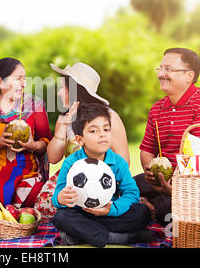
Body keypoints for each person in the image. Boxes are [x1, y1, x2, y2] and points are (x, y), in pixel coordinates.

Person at [135, 47, 200, 225]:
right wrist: (153, 175)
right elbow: (147, 150)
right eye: (160, 68)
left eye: (168, 69)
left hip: (199, 186)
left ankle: (149, 210)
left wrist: (171, 188)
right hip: (164, 180)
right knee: (121, 188)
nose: (161, 74)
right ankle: (146, 209)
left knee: (168, 209)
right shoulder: (157, 109)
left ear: (189, 76)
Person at [34, 62, 130, 220]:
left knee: (122, 206)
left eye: (62, 88)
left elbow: (124, 160)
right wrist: (63, 125)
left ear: (74, 90)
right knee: (44, 204)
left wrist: (96, 183)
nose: (58, 93)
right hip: (71, 178)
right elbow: (53, 158)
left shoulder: (110, 117)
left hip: (105, 178)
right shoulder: (65, 119)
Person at [52, 103, 152, 247]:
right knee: (61, 217)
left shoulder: (118, 162)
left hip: (109, 214)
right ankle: (118, 238)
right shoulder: (71, 163)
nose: (102, 134)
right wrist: (61, 199)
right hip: (82, 214)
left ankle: (83, 235)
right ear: (80, 140)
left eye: (106, 129)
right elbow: (57, 195)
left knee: (142, 212)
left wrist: (111, 209)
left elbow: (132, 194)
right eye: (93, 131)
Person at [0, 58, 52, 207]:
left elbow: (47, 143)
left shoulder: (34, 106)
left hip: (26, 172)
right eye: (18, 79)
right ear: (0, 81)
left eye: (24, 79)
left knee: (38, 195)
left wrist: (32, 145)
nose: (24, 84)